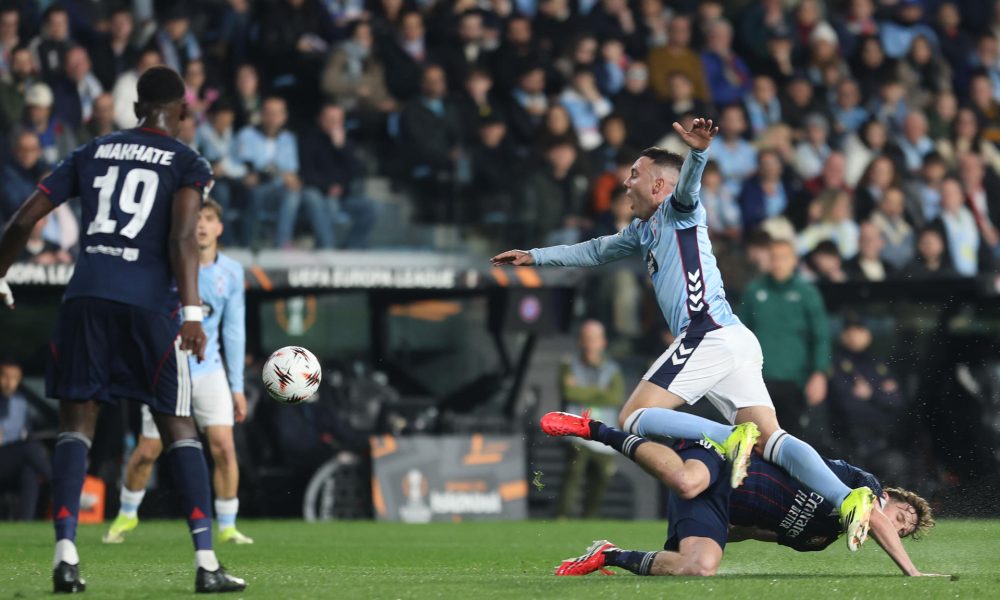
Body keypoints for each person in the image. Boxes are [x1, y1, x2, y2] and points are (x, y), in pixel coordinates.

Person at [491, 118, 877, 553]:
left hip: (705, 333)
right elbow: (595, 250)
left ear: (659, 186)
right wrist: (535, 256)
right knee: (771, 438)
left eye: (634, 175)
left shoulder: (679, 211)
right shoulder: (642, 230)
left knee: (634, 416)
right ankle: (847, 498)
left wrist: (698, 153)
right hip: (734, 338)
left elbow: (689, 187)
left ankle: (728, 438)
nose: (625, 182)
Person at [0, 66, 244, 593]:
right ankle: (206, 564)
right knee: (179, 426)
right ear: (184, 112)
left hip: (85, 299)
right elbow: (182, 238)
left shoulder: (92, 151)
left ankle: (65, 557)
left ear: (136, 108)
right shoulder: (188, 162)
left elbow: (23, 219)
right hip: (149, 307)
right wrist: (194, 313)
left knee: (75, 427)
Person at [541, 411, 942, 578]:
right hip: (725, 458)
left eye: (903, 531)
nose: (896, 527)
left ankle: (608, 554)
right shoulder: (863, 486)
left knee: (698, 567)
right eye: (901, 517)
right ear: (890, 496)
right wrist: (913, 572)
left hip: (718, 505)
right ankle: (597, 430)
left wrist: (705, 533)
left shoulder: (819, 539)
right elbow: (874, 515)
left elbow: (752, 531)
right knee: (688, 481)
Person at [104, 199, 251, 546]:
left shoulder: (231, 272)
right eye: (196, 218)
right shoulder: (168, 264)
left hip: (209, 370)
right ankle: (127, 514)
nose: (201, 224)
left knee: (224, 448)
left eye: (209, 218)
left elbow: (234, 330)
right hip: (167, 369)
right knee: (147, 452)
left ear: (219, 228)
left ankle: (228, 525)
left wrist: (237, 387)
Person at [740, 238, 832, 440]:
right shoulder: (753, 291)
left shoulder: (807, 293)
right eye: (774, 257)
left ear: (794, 260)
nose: (778, 263)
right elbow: (740, 334)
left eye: (783, 258)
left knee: (795, 440)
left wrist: (819, 373)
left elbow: (821, 336)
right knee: (758, 440)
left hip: (797, 381)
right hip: (760, 381)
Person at [555, 320, 624, 519]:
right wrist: (600, 392)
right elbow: (569, 393)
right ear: (580, 341)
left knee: (601, 478)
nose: (590, 344)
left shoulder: (612, 369)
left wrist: (583, 391)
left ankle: (590, 519)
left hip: (603, 432)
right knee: (574, 473)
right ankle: (562, 516)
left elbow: (616, 398)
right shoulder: (569, 364)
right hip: (577, 430)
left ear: (603, 342)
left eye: (594, 339)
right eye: (586, 339)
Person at [0, 359, 51, 520]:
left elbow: (27, 432)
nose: (9, 382)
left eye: (14, 378)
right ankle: (57, 482)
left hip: (12, 458)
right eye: (5, 377)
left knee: (29, 471)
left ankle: (24, 522)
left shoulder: (21, 403)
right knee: (28, 448)